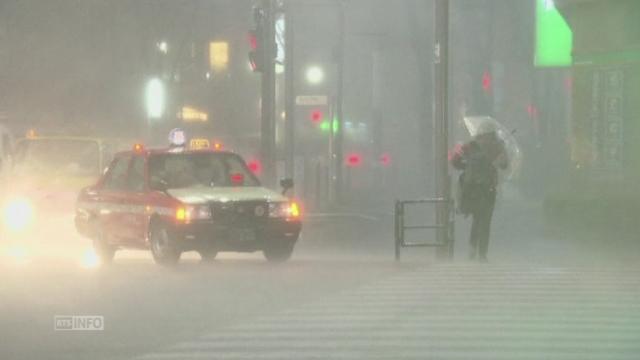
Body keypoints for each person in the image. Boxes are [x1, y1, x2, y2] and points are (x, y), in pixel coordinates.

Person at [451, 122, 509, 262]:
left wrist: (466, 166)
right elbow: (504, 165)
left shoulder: (469, 146)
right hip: (488, 188)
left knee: (477, 219)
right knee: (486, 221)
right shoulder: (496, 147)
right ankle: (482, 254)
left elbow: (454, 162)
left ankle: (472, 249)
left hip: (472, 188)